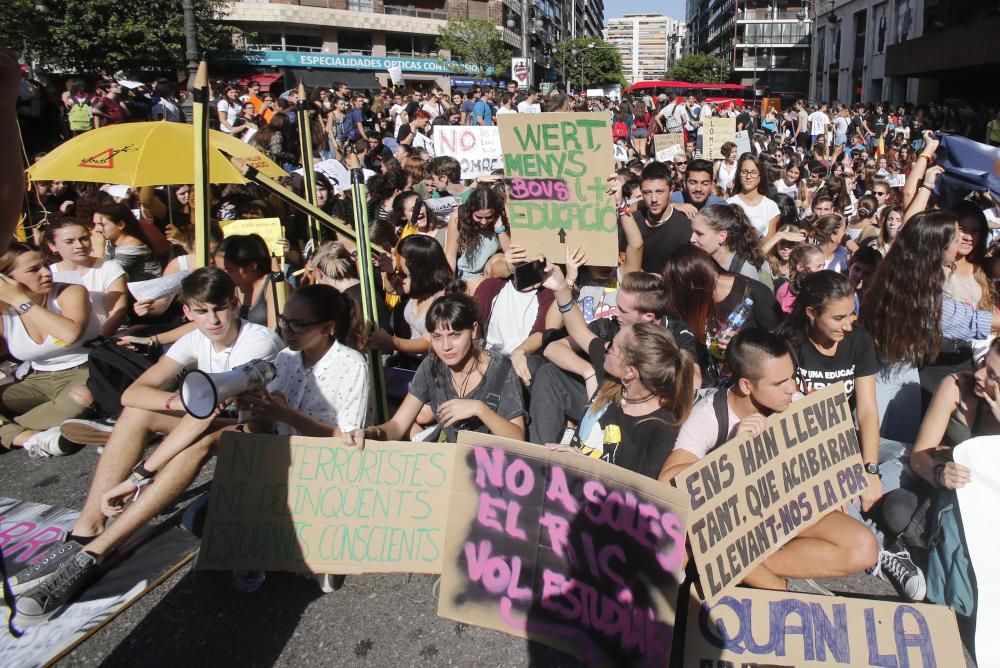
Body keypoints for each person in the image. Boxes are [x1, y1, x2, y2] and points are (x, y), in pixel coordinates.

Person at [659, 328, 879, 595]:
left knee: (863, 547)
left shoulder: (794, 403)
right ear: (746, 386)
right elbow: (668, 480)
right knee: (690, 541)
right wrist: (733, 452)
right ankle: (783, 590)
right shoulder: (710, 415)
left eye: (792, 377)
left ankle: (752, 572)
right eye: (779, 383)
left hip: (783, 515)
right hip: (734, 526)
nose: (792, 388)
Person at [539, 262, 695, 478]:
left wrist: (586, 467)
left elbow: (638, 496)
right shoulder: (612, 379)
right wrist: (561, 289)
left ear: (630, 373)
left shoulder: (659, 430)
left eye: (611, 347)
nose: (605, 347)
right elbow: (580, 331)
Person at [343, 287, 525, 446]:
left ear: (474, 330)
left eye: (455, 335)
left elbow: (518, 438)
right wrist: (371, 433)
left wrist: (480, 409)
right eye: (437, 337)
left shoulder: (500, 371)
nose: (446, 346)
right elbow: (398, 425)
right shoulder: (433, 365)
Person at [0, 244, 98, 455]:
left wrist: (20, 300)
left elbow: (69, 334)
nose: (46, 272)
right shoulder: (4, 312)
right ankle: (33, 437)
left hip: (84, 370)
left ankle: (11, 432)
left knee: (81, 398)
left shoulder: (69, 291)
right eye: (33, 270)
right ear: (6, 280)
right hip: (37, 378)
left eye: (45, 265)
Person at [44, 216, 128, 338]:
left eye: (84, 239)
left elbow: (118, 312)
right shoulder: (48, 273)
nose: (79, 245)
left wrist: (99, 340)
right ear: (52, 246)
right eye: (69, 241)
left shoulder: (108, 267)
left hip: (104, 340)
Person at [625, 161, 691, 274]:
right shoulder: (631, 221)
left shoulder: (686, 229)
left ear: (671, 190)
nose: (654, 199)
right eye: (647, 192)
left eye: (660, 192)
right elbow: (622, 258)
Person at [444, 186, 510, 279]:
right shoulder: (458, 218)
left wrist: (499, 229)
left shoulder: (502, 219)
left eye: (489, 217)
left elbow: (510, 254)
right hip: (464, 274)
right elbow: (451, 253)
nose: (484, 222)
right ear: (470, 212)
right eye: (478, 217)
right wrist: (449, 281)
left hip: (490, 272)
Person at [689, 203, 764, 280]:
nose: (691, 239)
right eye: (692, 231)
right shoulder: (694, 259)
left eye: (699, 234)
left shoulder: (744, 271)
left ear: (722, 236)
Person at [92, 203, 161, 283]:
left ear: (120, 225)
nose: (96, 229)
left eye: (101, 225)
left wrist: (98, 250)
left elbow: (106, 275)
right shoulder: (109, 242)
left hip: (142, 292)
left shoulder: (133, 247)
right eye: (95, 224)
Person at [223, 234, 279, 330]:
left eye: (229, 269)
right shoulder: (229, 288)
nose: (224, 274)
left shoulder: (273, 285)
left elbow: (275, 332)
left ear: (252, 266)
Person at [727, 153, 780, 240]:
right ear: (739, 174)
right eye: (744, 172)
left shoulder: (771, 206)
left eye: (754, 172)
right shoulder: (729, 203)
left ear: (760, 175)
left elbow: (770, 244)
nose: (748, 176)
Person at [775, 244, 826, 313]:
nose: (823, 269)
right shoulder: (786, 292)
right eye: (818, 266)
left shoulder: (822, 285)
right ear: (800, 267)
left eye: (824, 265)